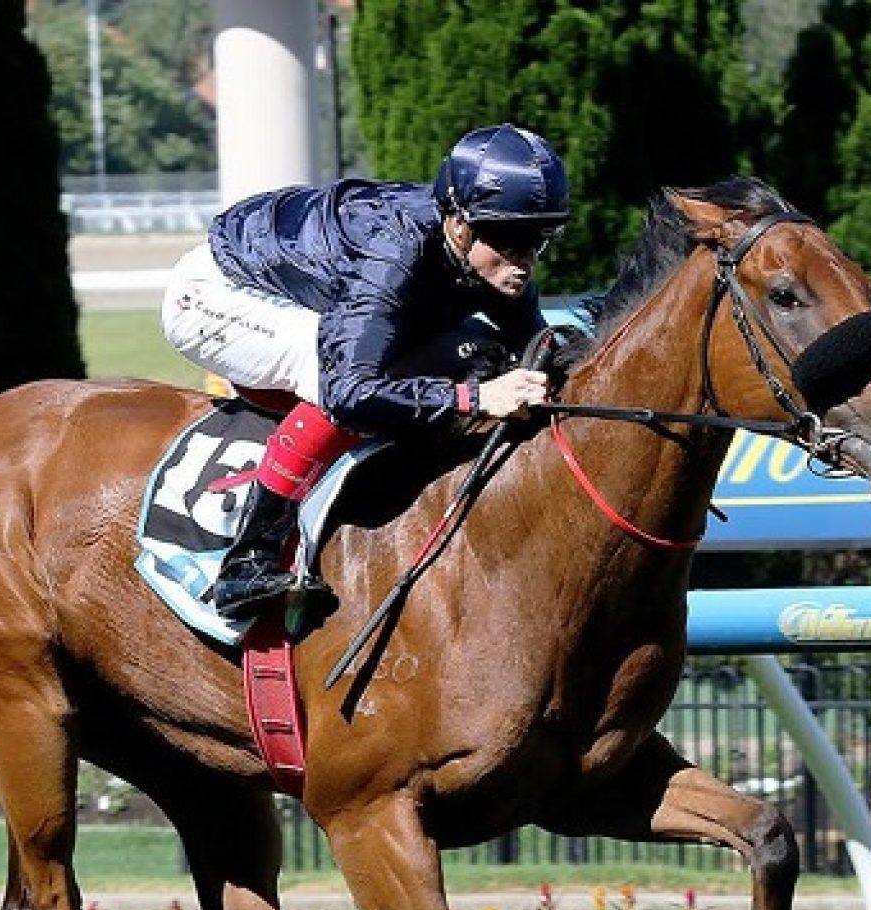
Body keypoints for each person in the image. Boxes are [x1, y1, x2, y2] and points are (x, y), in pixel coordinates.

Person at [160, 123, 569, 616]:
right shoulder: (392, 254)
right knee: (334, 377)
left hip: (306, 285)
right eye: (509, 239)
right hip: (213, 293)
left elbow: (535, 348)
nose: (522, 261)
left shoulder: (487, 256)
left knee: (477, 351)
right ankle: (247, 561)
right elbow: (350, 391)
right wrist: (477, 400)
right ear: (459, 222)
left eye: (538, 240)